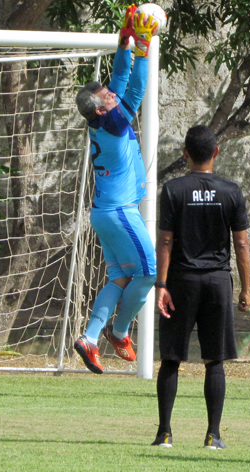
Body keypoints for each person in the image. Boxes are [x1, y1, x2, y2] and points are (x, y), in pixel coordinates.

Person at [72, 5, 160, 373]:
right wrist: (143, 46)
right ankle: (120, 331)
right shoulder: (116, 123)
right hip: (121, 212)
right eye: (106, 92)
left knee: (121, 278)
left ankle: (89, 338)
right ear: (102, 105)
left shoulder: (102, 119)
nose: (111, 91)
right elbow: (136, 87)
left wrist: (124, 40)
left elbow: (121, 77)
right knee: (150, 273)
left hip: (104, 212)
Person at [154, 125, 250, 449]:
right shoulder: (231, 191)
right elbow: (241, 245)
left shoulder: (173, 190)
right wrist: (246, 288)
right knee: (214, 360)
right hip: (217, 282)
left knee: (171, 357)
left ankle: (164, 433)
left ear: (185, 154)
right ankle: (213, 435)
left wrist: (162, 284)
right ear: (216, 153)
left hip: (181, 280)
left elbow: (165, 240)